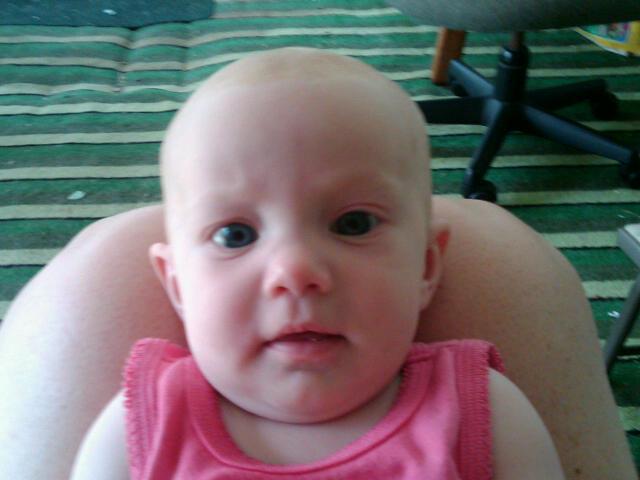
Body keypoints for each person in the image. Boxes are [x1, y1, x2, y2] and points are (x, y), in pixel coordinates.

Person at [0, 48, 635, 479]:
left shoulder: (485, 418)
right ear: (178, 287)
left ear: (425, 268)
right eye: (235, 235)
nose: (295, 271)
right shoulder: (137, 431)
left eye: (352, 224)